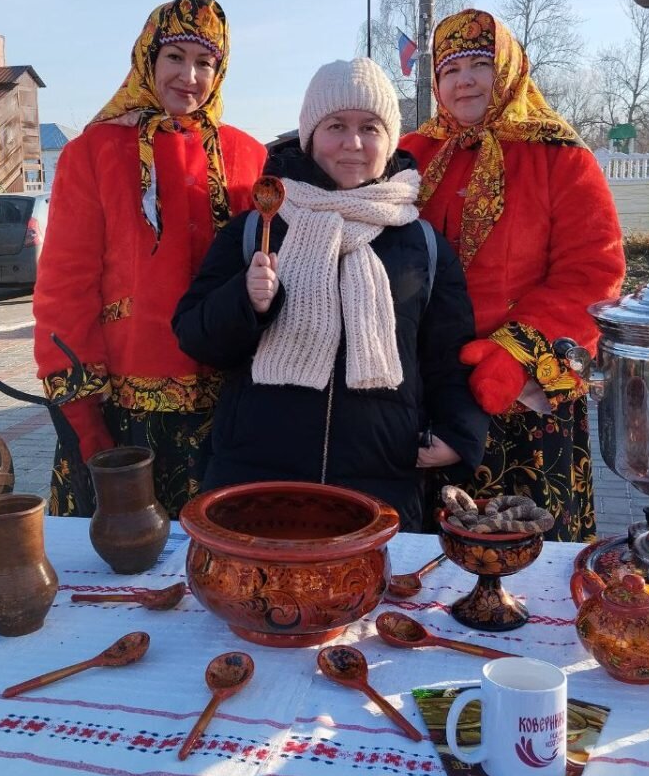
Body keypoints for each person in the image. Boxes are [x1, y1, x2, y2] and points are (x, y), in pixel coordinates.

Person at [173, 58, 488, 532]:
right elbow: (195, 336)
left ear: (390, 139)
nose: (353, 143)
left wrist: (459, 433)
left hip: (380, 488)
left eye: (370, 127)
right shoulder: (255, 229)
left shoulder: (421, 243)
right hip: (255, 487)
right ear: (310, 135)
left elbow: (448, 355)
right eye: (335, 125)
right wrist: (248, 302)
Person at [32, 0, 267, 519]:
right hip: (124, 406)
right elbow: (66, 284)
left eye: (205, 62)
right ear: (148, 59)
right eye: (175, 58)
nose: (190, 76)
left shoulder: (248, 156)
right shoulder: (92, 152)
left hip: (228, 403)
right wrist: (82, 413)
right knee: (122, 565)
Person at [399, 9, 625, 541]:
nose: (465, 80)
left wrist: (516, 353)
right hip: (430, 390)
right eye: (450, 69)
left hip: (523, 397)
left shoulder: (560, 156)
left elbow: (593, 271)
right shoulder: (411, 154)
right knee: (429, 554)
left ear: (508, 67)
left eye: (480, 63)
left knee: (523, 553)